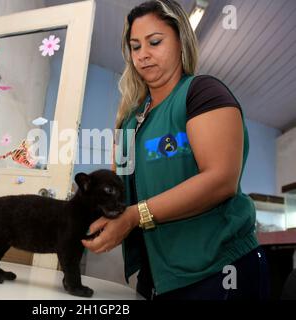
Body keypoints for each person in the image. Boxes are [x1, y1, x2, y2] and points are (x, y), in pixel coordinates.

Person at [82, 0, 269, 300]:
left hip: (218, 272)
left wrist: (133, 216)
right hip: (158, 278)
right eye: (135, 46)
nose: (143, 55)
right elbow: (119, 188)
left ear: (181, 40)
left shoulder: (202, 93)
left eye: (155, 42)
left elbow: (221, 180)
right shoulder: (131, 120)